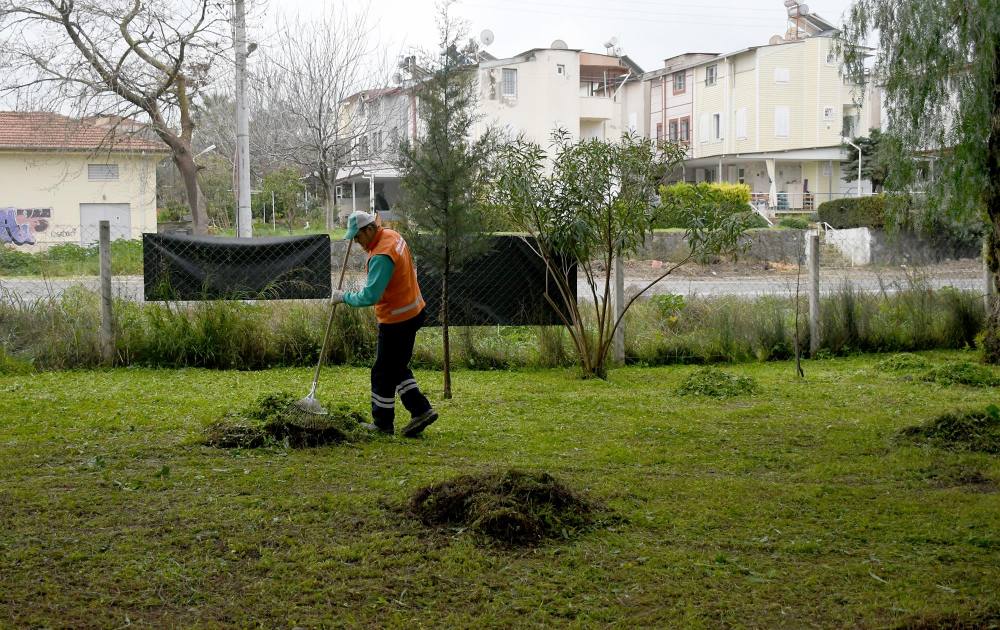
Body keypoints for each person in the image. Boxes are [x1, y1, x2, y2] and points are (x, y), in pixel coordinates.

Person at [330, 210, 438, 438]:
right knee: (396, 368)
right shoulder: (392, 236)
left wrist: (344, 297)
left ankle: (385, 423)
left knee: (382, 372)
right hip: (413, 311)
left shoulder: (381, 255)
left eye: (358, 237)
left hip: (397, 320)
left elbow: (371, 296)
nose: (357, 242)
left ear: (370, 229)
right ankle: (420, 411)